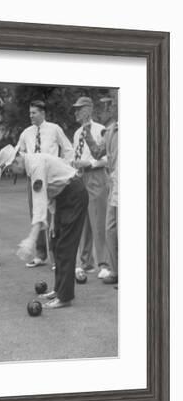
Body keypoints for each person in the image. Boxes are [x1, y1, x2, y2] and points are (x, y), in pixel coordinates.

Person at [0, 145, 89, 309]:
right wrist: (53, 221)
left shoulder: (35, 165)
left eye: (11, 168)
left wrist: (31, 239)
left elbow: (39, 204)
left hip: (74, 195)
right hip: (63, 197)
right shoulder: (33, 165)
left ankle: (64, 297)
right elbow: (50, 194)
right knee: (56, 242)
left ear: (17, 159)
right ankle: (58, 289)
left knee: (65, 246)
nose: (12, 172)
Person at [16, 100, 74, 268]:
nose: (31, 116)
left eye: (34, 112)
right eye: (29, 113)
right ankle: (40, 255)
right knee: (36, 213)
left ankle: (56, 257)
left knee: (54, 216)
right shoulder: (26, 133)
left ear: (42, 113)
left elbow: (68, 149)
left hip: (53, 179)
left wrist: (65, 166)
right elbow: (18, 153)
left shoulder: (55, 129)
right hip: (34, 178)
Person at [72, 97, 110, 280]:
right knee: (83, 222)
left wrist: (89, 163)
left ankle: (104, 263)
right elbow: (75, 154)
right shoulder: (77, 132)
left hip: (96, 176)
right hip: (80, 178)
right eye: (76, 109)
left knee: (98, 221)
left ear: (89, 109)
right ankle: (86, 263)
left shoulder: (100, 129)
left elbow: (107, 158)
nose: (76, 113)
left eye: (79, 109)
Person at [87, 97, 118, 285]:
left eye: (106, 107)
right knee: (110, 230)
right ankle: (115, 271)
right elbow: (98, 153)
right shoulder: (109, 132)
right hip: (115, 187)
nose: (102, 112)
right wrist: (88, 136)